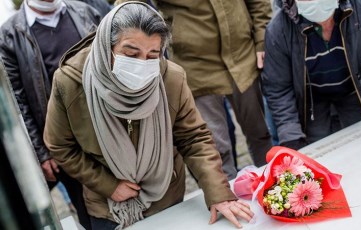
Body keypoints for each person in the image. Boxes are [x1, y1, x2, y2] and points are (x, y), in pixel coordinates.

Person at [43, 2, 254, 229]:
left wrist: (218, 192)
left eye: (152, 54)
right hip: (108, 208)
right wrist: (108, 185)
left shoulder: (170, 78)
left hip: (166, 198)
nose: (141, 64)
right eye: (130, 53)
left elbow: (194, 138)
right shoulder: (71, 83)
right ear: (107, 45)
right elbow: (60, 145)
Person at [117, 0, 273, 179]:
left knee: (260, 133)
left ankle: (275, 189)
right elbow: (128, 8)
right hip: (196, 68)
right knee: (214, 149)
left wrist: (262, 37)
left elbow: (259, 3)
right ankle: (228, 199)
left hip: (243, 57)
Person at [0, 0, 102, 229]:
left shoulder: (83, 11)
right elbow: (19, 102)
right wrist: (42, 152)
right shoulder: (10, 35)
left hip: (106, 131)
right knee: (90, 216)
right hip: (65, 146)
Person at [261, 0, 361, 150]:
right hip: (311, 101)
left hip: (356, 90)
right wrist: (291, 137)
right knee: (320, 151)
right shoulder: (278, 30)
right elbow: (279, 89)